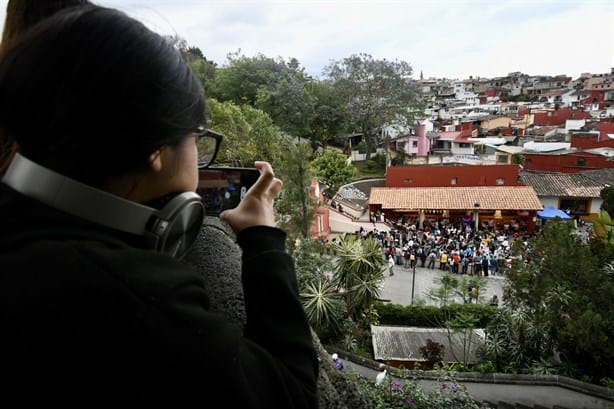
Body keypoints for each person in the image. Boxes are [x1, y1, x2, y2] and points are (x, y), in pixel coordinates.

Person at [0, 4, 318, 406]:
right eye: (196, 140)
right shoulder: (135, 298)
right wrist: (263, 240)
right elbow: (294, 395)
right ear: (155, 150)